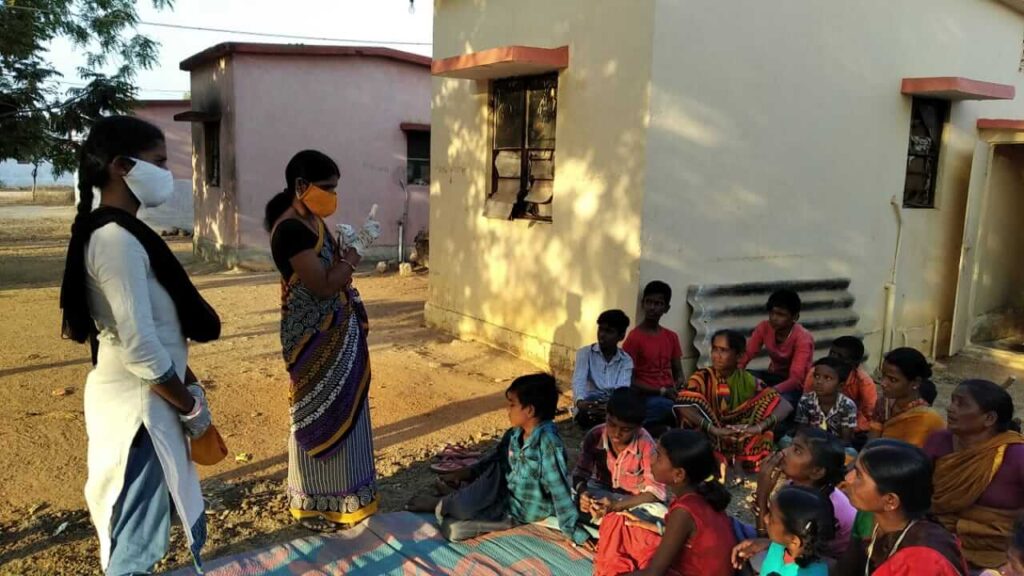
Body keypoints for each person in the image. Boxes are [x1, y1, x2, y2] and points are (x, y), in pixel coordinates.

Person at [59, 116, 220, 574]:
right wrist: (190, 406)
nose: (167, 174)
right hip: (139, 406)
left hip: (152, 397)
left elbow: (157, 334)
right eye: (159, 162)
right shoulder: (114, 240)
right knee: (137, 533)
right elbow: (141, 347)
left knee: (155, 516)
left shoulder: (122, 233)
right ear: (119, 167)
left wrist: (187, 389)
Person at [265, 150, 380, 527]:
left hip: (337, 333)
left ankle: (349, 495)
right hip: (313, 339)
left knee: (348, 406)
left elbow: (330, 271)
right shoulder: (291, 230)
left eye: (335, 188)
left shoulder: (313, 219)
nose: (332, 195)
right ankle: (316, 500)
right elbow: (323, 285)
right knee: (315, 413)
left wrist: (343, 250)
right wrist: (355, 255)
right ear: (301, 187)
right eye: (326, 188)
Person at [407, 374, 590, 545]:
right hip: (500, 492)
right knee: (485, 480)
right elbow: (494, 460)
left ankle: (443, 502)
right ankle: (454, 497)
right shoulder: (514, 434)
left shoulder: (548, 444)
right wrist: (468, 472)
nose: (507, 410)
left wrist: (572, 530)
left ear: (529, 410)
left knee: (454, 530)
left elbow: (560, 490)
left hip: (518, 511)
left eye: (511, 404)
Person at [594, 430, 736, 576]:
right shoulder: (701, 494)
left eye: (658, 456)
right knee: (621, 523)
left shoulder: (684, 511)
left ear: (678, 474)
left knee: (623, 544)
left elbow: (653, 573)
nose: (651, 457)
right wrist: (652, 527)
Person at [925, 380, 1024, 571]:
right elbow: (916, 493)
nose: (950, 408)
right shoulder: (939, 441)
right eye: (953, 401)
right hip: (937, 547)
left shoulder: (1017, 455)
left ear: (989, 418)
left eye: (961, 404)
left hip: (999, 560)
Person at [840, 441, 968, 576]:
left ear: (890, 501)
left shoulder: (920, 560)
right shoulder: (880, 522)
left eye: (859, 476)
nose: (848, 479)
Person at [675, 329, 793, 472]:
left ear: (739, 356)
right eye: (715, 350)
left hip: (738, 434)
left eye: (724, 350)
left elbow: (785, 405)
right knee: (691, 426)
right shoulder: (701, 378)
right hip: (711, 434)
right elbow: (682, 405)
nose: (717, 356)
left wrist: (758, 427)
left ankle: (736, 461)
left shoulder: (747, 380)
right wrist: (714, 429)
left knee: (766, 429)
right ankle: (722, 460)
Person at [753, 429, 856, 560]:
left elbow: (773, 538)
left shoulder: (826, 508)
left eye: (797, 451)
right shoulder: (793, 485)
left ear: (817, 471)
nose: (784, 452)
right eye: (791, 446)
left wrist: (762, 494)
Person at [573, 388, 667, 524]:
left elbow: (656, 492)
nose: (616, 433)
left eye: (626, 429)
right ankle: (617, 524)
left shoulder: (646, 445)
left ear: (638, 427)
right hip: (602, 493)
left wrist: (617, 505)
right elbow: (579, 475)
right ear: (606, 416)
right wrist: (583, 494)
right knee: (569, 496)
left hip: (632, 500)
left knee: (661, 513)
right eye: (612, 424)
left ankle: (610, 523)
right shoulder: (594, 436)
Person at [732, 485, 833, 576]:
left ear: (794, 541)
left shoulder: (811, 573)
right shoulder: (781, 546)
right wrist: (765, 543)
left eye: (771, 517)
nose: (765, 519)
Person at [739, 289, 815, 408]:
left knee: (780, 403)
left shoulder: (803, 338)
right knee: (743, 377)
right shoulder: (764, 327)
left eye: (781, 314)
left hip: (796, 386)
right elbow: (747, 354)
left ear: (795, 317)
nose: (774, 318)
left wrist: (770, 391)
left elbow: (796, 379)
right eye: (772, 313)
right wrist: (736, 374)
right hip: (774, 376)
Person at [623, 281, 684, 429]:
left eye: (658, 304)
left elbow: (679, 373)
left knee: (697, 404)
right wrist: (661, 391)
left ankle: (659, 427)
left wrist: (678, 388)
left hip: (669, 394)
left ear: (666, 308)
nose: (652, 308)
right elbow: (629, 381)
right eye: (649, 302)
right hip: (646, 396)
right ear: (643, 304)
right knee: (666, 407)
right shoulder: (634, 337)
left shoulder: (671, 337)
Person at [801, 336, 877, 447]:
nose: (833, 359)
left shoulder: (864, 383)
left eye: (840, 357)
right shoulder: (815, 374)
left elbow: (869, 415)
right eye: (831, 353)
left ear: (854, 364)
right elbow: (806, 404)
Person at [868, 348, 944, 448]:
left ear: (915, 383)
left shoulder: (926, 418)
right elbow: (870, 445)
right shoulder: (884, 404)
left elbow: (909, 456)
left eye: (893, 380)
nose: (883, 383)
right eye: (883, 376)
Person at [572, 310, 635, 429]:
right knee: (590, 407)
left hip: (612, 404)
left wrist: (609, 406)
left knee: (630, 405)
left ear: (621, 336)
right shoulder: (585, 353)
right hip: (589, 402)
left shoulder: (626, 360)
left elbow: (622, 389)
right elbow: (578, 381)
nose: (602, 335)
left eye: (609, 331)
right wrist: (580, 402)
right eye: (600, 329)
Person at [795, 357, 859, 445]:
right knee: (786, 441)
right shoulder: (806, 400)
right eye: (816, 376)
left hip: (835, 447)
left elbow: (846, 440)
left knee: (851, 452)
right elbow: (801, 431)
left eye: (827, 378)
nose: (819, 382)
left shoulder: (847, 406)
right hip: (811, 444)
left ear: (840, 386)